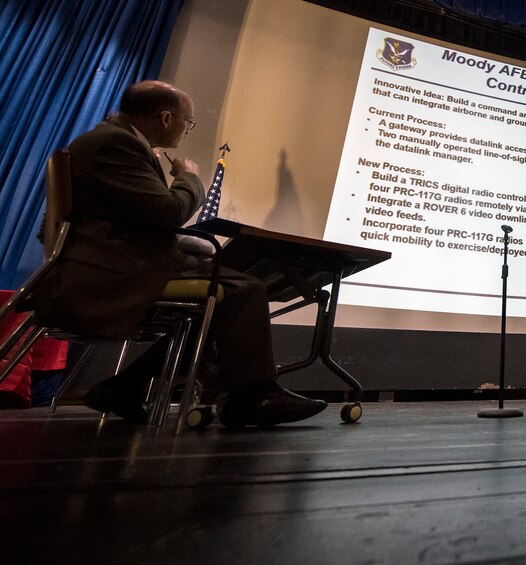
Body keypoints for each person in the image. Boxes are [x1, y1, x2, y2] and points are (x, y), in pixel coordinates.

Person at [33, 80, 327, 426]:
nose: (187, 131)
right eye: (188, 123)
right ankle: (251, 396)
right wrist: (188, 177)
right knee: (243, 290)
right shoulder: (116, 144)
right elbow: (170, 212)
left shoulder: (108, 140)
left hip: (113, 263)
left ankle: (128, 385)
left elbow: (140, 220)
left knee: (221, 294)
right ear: (166, 118)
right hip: (109, 274)